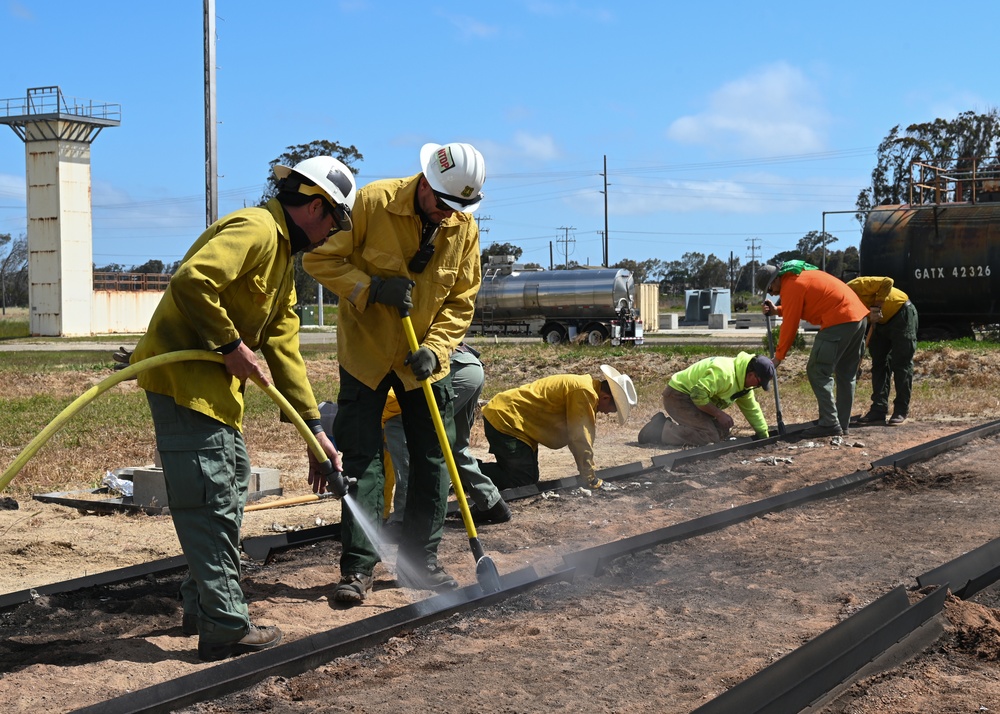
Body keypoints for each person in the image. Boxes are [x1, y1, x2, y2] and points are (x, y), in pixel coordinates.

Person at [131, 156, 354, 661]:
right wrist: (231, 345)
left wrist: (314, 430)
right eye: (335, 223)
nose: (331, 236)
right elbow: (192, 281)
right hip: (184, 381)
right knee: (209, 497)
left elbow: (285, 351)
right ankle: (227, 627)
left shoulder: (281, 266)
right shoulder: (256, 228)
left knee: (229, 485)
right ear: (314, 206)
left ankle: (202, 606)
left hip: (216, 396)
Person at [303, 141, 486, 603]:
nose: (449, 214)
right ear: (424, 182)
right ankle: (357, 570)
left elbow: (461, 299)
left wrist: (436, 348)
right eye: (443, 203)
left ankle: (419, 562)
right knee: (362, 458)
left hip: (423, 362)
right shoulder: (371, 204)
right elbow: (319, 259)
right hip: (366, 357)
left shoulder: (463, 227)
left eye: (458, 207)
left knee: (431, 459)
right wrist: (370, 288)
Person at [383, 343, 511, 530]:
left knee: (399, 426)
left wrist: (385, 513)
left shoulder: (382, 393)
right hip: (471, 367)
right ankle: (492, 503)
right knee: (453, 445)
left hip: (450, 370)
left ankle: (404, 518)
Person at [478, 365, 637, 491]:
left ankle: (467, 471)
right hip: (507, 419)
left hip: (517, 423)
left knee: (528, 478)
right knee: (522, 480)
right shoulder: (584, 392)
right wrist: (589, 478)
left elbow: (576, 436)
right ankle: (463, 471)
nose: (608, 413)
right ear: (605, 397)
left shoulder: (585, 388)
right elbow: (580, 438)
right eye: (613, 409)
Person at [756, 261, 869, 438]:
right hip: (858, 318)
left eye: (770, 289)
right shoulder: (799, 276)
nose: (773, 293)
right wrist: (776, 310)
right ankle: (841, 424)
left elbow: (790, 325)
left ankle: (830, 423)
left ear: (774, 281)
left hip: (839, 320)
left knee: (817, 370)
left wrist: (778, 357)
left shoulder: (791, 285)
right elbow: (799, 306)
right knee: (846, 374)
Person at [637, 353, 774, 446]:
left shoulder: (743, 385)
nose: (757, 387)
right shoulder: (724, 373)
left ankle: (665, 425)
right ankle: (658, 430)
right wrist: (719, 414)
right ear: (751, 374)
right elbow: (697, 395)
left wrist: (764, 435)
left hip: (694, 400)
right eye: (758, 383)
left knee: (722, 431)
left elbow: (752, 409)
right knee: (709, 436)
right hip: (678, 396)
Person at [846, 276, 919, 426]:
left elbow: (888, 282)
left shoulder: (856, 285)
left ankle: (900, 409)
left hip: (901, 313)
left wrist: (877, 306)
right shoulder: (841, 304)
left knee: (901, 363)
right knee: (879, 363)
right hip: (878, 323)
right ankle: (878, 409)